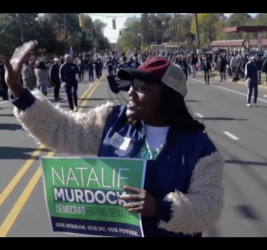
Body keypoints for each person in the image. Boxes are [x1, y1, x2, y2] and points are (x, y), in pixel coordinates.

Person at [4, 41, 224, 238]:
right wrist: (19, 92)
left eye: (142, 88)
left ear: (168, 98)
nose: (131, 92)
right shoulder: (112, 120)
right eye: (132, 85)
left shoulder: (199, 148)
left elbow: (208, 206)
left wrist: (159, 208)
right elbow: (62, 129)